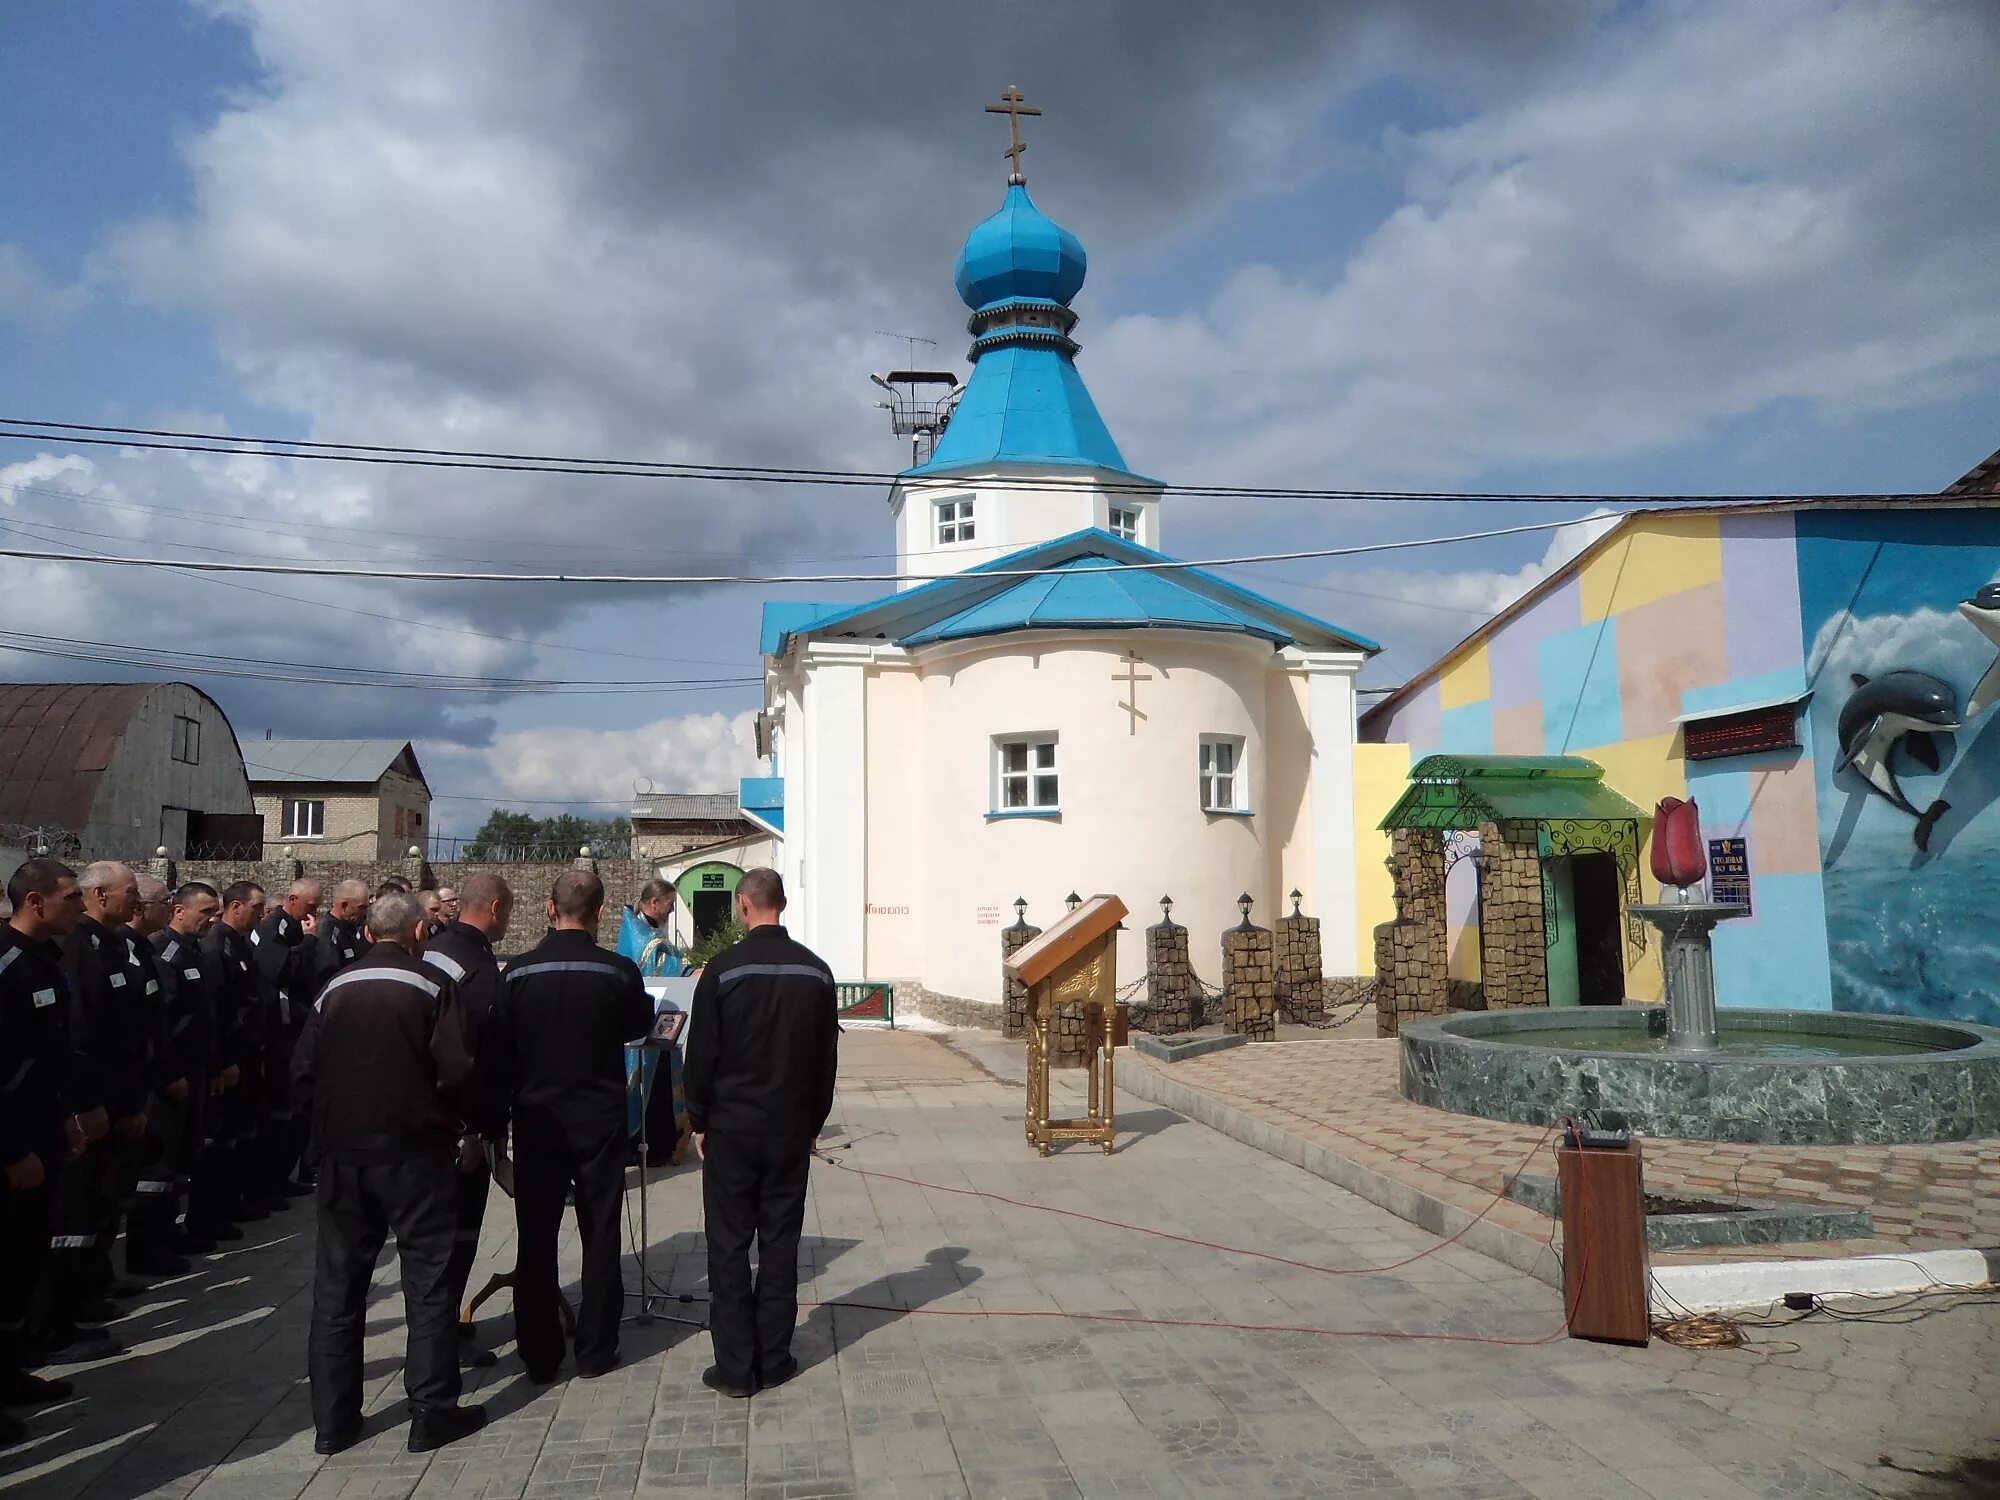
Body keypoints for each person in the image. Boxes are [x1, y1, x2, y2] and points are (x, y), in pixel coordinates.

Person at [292, 888, 484, 1456]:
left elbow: (301, 1071)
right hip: (415, 1157)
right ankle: (432, 1412)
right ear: (419, 934)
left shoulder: (333, 988)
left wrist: (328, 1127)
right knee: (428, 1284)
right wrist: (458, 1127)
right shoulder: (432, 986)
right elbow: (457, 1071)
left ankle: (334, 1422)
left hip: (344, 1159)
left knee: (338, 1289)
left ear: (370, 935)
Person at [485, 869, 652, 1383]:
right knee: (601, 1231)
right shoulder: (619, 971)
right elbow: (638, 1027)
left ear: (549, 909)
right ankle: (598, 1349)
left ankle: (538, 1352)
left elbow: (499, 1050)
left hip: (536, 1120)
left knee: (536, 1235)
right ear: (601, 913)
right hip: (598, 1118)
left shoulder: (516, 972)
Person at [683, 869, 838, 1398]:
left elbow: (700, 1054)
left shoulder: (722, 971)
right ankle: (774, 1357)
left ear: (744, 906)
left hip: (732, 1128)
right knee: (779, 1241)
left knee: (728, 1245)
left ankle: (735, 1366)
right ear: (784, 905)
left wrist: (698, 1119)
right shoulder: (816, 972)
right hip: (789, 1130)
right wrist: (814, 1124)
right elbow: (825, 1063)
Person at [0, 859, 89, 1447]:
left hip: (45, 1132)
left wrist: (68, 1118)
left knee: (21, 1264)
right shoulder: (6, 965)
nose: (79, 906)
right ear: (36, 901)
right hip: (13, 1146)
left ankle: (9, 1374)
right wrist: (10, 1151)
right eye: (71, 897)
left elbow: (55, 1055)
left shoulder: (47, 963)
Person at [50, 862, 154, 1339]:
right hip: (96, 1099)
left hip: (122, 1090)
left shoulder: (115, 945)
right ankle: (66, 1304)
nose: (136, 899)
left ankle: (96, 1281)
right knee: (79, 1204)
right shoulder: (79, 947)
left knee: (107, 1196)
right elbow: (83, 1035)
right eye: (128, 890)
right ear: (99, 895)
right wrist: (91, 1103)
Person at [420, 871, 511, 1369]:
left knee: (436, 1234)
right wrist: (478, 1129)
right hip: (460, 1125)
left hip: (424, 1114)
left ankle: (436, 1329)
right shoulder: (476, 963)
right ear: (495, 908)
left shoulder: (436, 948)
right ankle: (441, 1341)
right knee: (458, 1233)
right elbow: (477, 1053)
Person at [153, 882, 228, 1253]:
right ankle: (153, 1242)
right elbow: (163, 1024)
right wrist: (171, 1073)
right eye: (205, 912)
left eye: (216, 912)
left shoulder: (196, 951)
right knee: (161, 1165)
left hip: (198, 1069)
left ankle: (176, 1232)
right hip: (176, 1074)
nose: (213, 919)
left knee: (187, 1155)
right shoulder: (166, 954)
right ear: (178, 911)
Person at [124, 875, 191, 1275]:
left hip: (172, 1072)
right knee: (150, 1170)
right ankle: (145, 1250)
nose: (168, 907)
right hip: (152, 1079)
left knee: (167, 1166)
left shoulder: (142, 950)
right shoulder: (150, 951)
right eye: (163, 901)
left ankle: (161, 1239)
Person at [198, 882, 269, 1228]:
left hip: (247, 1053)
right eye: (256, 909)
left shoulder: (237, 943)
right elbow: (216, 1010)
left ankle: (232, 1201)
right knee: (220, 1139)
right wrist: (222, 1061)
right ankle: (210, 1213)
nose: (260, 916)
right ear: (236, 906)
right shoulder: (217, 946)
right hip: (230, 1056)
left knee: (240, 1133)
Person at [252, 878, 321, 1199]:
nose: (314, 913)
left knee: (293, 1110)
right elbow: (280, 971)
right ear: (293, 900)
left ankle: (279, 1178)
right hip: (279, 1034)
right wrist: (308, 942)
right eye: (310, 906)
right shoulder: (275, 929)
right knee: (279, 1111)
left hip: (296, 1029)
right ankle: (267, 1183)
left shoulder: (293, 928)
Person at [616, 878, 687, 1166]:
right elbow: (652, 967)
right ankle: (643, 1144)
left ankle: (660, 1143)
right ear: (654, 903)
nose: (671, 910)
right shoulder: (642, 936)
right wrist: (685, 970)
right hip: (645, 1016)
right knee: (645, 1082)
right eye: (669, 904)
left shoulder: (646, 930)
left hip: (660, 1015)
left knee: (657, 1082)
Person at [315, 880, 370, 987]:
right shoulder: (328, 932)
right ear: (344, 906)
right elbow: (327, 972)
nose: (364, 913)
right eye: (361, 907)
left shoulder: (351, 929)